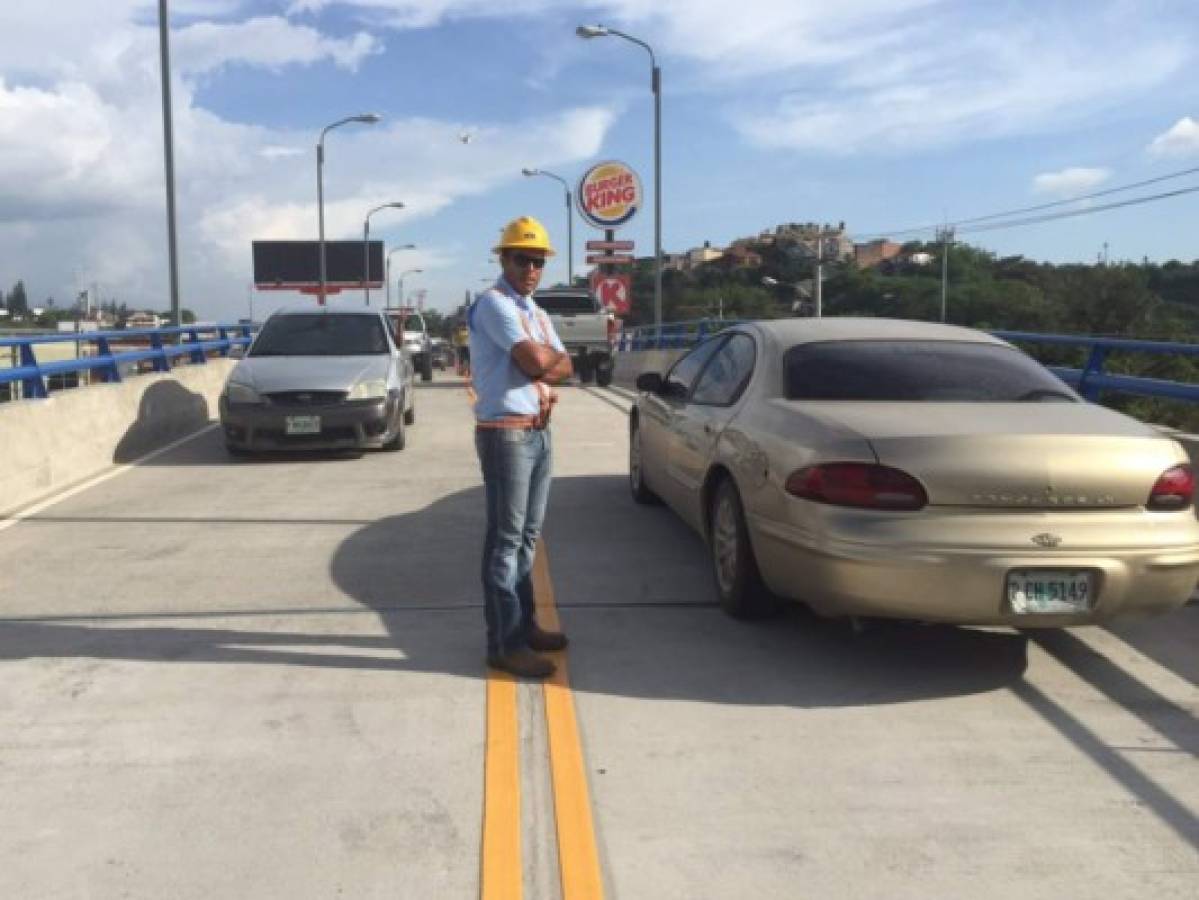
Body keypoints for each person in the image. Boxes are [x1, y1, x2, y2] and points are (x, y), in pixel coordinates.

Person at [470, 216, 574, 678]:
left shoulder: (536, 311)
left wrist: (543, 363)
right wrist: (542, 361)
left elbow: (564, 367)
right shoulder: (495, 305)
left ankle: (525, 624)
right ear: (504, 259)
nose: (531, 268)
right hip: (506, 433)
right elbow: (537, 362)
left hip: (538, 428)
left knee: (529, 538)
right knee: (506, 541)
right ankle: (504, 643)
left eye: (538, 261)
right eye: (522, 259)